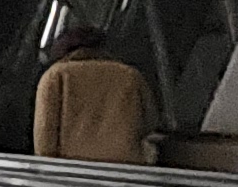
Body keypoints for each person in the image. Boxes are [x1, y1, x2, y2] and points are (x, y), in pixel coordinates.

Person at [34, 24, 159, 162]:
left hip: (72, 172)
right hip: (124, 171)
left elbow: (44, 139)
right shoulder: (131, 76)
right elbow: (150, 122)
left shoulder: (55, 76)